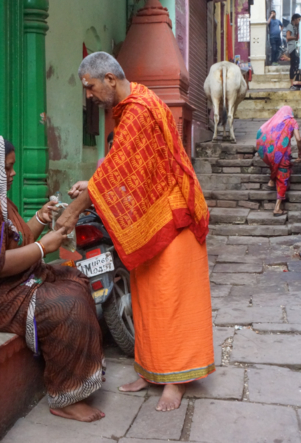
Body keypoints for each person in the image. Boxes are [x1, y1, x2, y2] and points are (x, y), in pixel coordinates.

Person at [62, 52, 214, 412]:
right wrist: (93, 183)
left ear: (110, 79)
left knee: (170, 301)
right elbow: (128, 171)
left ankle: (175, 382)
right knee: (147, 300)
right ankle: (151, 371)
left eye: (90, 87)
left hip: (174, 219)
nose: (89, 95)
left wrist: (71, 213)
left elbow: (117, 169)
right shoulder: (136, 103)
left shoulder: (139, 110)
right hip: (154, 221)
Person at [0, 136, 106, 422]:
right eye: (7, 169)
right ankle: (65, 395)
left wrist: (41, 218)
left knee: (75, 278)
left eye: (13, 167)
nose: (13, 174)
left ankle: (81, 371)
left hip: (12, 283)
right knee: (65, 304)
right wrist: (44, 247)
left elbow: (16, 240)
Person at [257, 106, 301, 216]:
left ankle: (271, 180)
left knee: (275, 166)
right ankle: (277, 208)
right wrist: (300, 153)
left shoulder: (276, 121)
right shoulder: (292, 122)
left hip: (271, 153)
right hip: (283, 154)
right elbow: (298, 139)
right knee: (282, 177)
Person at [286, 14, 301, 90]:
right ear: (294, 19)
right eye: (298, 19)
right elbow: (288, 37)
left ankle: (297, 83)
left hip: (296, 48)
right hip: (292, 48)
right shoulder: (290, 26)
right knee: (293, 66)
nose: (299, 21)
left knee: (297, 65)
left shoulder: (296, 27)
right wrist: (296, 38)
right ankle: (292, 84)